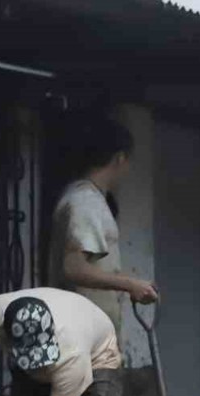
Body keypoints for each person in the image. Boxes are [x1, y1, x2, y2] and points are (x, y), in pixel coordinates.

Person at [48, 117, 159, 336]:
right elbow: (74, 268)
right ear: (119, 158)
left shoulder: (91, 199)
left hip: (90, 330)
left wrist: (132, 284)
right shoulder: (84, 201)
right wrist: (129, 284)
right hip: (81, 332)